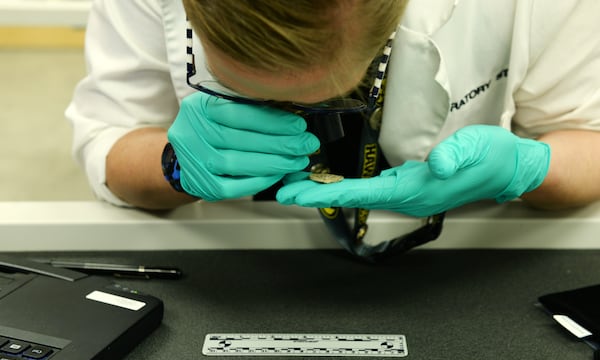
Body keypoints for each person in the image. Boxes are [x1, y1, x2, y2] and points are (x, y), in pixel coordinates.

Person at [67, 1, 600, 221]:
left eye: (336, 92)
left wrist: (526, 170)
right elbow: (108, 140)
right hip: (237, 254)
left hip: (470, 254)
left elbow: (588, 140)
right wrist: (174, 166)